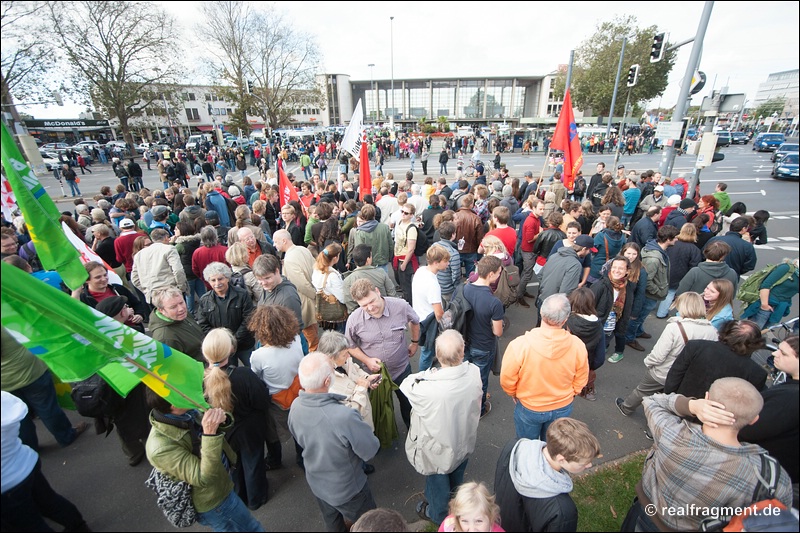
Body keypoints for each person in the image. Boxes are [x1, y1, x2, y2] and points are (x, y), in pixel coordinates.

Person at [620, 379, 793, 532]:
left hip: (647, 513)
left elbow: (652, 401)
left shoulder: (671, 434)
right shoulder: (770, 477)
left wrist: (692, 406)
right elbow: (778, 517)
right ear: (754, 419)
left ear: (707, 398)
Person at [144, 389, 264, 532]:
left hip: (222, 482)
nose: (191, 389)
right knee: (252, 528)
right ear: (174, 404)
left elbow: (219, 424)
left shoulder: (187, 410)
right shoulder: (160, 447)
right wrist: (209, 434)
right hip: (215, 501)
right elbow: (203, 477)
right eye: (183, 390)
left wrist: (222, 418)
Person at [288, 352, 380, 532]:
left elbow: (299, 438)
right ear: (326, 382)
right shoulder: (343, 416)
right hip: (349, 489)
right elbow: (370, 450)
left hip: (318, 483)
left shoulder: (296, 406)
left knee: (333, 524)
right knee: (371, 526)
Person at [400, 330, 483, 526]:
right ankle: (456, 502)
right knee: (456, 477)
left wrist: (431, 373)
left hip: (437, 448)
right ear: (462, 353)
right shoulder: (474, 372)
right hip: (463, 440)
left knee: (437, 482)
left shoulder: (427, 388)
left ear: (437, 355)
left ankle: (438, 515)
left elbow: (406, 384)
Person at [500, 294, 588, 441]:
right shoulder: (577, 345)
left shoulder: (520, 345)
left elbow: (507, 379)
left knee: (527, 446)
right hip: (563, 406)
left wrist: (513, 393)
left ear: (541, 312)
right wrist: (573, 392)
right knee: (552, 447)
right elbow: (581, 376)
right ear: (565, 319)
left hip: (530, 406)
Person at [201, 329, 271, 511]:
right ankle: (256, 498)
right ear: (231, 350)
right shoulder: (243, 375)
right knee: (253, 461)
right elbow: (262, 401)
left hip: (223, 430)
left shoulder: (202, 379)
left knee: (234, 464)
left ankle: (239, 496)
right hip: (250, 428)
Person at [1, 391, 91, 532]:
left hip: (7, 484)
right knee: (49, 501)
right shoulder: (5, 399)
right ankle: (78, 525)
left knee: (29, 524)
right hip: (25, 461)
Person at [616, 292, 718, 416]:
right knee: (670, 402)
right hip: (686, 376)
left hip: (664, 372)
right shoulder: (713, 331)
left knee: (642, 391)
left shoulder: (675, 327)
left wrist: (648, 362)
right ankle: (655, 429)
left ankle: (626, 408)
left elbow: (659, 354)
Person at [494, 418, 600, 533]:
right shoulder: (563, 512)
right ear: (561, 459)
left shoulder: (514, 448)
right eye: (583, 462)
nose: (589, 465)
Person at [346, 278, 420, 429]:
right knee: (380, 410)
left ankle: (413, 433)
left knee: (408, 405)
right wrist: (366, 360)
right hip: (374, 376)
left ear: (378, 292)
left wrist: (414, 342)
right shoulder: (354, 319)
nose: (370, 308)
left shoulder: (400, 306)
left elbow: (415, 321)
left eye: (372, 301)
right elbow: (350, 346)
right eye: (364, 305)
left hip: (402, 370)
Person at [0, 327, 89, 451]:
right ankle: (66, 436)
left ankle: (30, 447)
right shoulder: (8, 317)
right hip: (32, 372)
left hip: (5, 384)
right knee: (48, 408)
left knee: (20, 417)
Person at [739, 335, 799, 486]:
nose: (774, 354)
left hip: (760, 471)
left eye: (784, 353)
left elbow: (750, 430)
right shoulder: (790, 390)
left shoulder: (790, 398)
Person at [664, 319, 768, 399]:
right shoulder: (757, 373)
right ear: (756, 344)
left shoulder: (695, 346)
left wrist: (669, 401)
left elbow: (674, 377)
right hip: (714, 423)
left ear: (725, 332)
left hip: (680, 406)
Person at [462, 256, 505, 417]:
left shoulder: (464, 288)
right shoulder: (494, 303)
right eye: (499, 272)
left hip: (465, 341)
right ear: (491, 274)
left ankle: (464, 403)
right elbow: (498, 332)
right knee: (480, 380)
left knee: (465, 375)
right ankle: (478, 410)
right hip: (484, 345)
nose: (500, 275)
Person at [625, 225, 678, 349]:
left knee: (641, 317)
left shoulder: (656, 250)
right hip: (649, 295)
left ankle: (638, 331)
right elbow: (647, 280)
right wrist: (659, 291)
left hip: (651, 295)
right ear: (668, 239)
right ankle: (630, 338)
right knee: (637, 317)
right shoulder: (654, 258)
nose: (677, 240)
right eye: (675, 238)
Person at [195, 262, 255, 366]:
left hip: (244, 344)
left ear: (227, 278)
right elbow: (203, 324)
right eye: (213, 280)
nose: (217, 283)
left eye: (220, 279)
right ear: (208, 281)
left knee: (253, 369)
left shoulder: (242, 294)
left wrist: (233, 342)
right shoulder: (205, 300)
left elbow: (248, 319)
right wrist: (223, 343)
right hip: (222, 348)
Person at [273, 229, 320, 351]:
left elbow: (300, 284)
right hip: (311, 298)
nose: (274, 245)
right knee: (313, 333)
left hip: (304, 301)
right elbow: (317, 268)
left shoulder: (289, 260)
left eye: (276, 242)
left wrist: (314, 294)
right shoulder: (304, 249)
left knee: (310, 339)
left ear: (284, 241)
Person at [591, 255, 635, 365]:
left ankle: (619, 352)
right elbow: (590, 304)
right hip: (602, 318)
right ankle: (602, 347)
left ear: (627, 271)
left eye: (621, 268)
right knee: (603, 336)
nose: (616, 270)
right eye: (614, 267)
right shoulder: (600, 285)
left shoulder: (628, 285)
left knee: (619, 333)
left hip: (618, 317)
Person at [656, 223, 703, 318]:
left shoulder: (672, 243)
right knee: (670, 293)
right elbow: (694, 266)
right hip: (680, 275)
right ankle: (661, 313)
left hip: (665, 270)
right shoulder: (694, 250)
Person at [565, 288, 604, 401]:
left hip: (565, 365)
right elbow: (600, 357)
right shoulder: (598, 326)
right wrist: (591, 367)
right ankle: (585, 391)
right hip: (585, 363)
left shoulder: (567, 321)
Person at [148, 287, 205, 362]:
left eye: (181, 302)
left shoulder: (180, 315)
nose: (181, 309)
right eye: (173, 307)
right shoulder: (165, 338)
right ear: (161, 310)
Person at [740, 258, 799, 330]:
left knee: (761, 333)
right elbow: (766, 285)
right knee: (752, 332)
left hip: (779, 309)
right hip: (765, 305)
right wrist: (764, 305)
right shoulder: (786, 268)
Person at [131, 228, 187, 303]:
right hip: (170, 291)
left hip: (152, 295)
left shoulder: (139, 255)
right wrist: (180, 288)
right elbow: (178, 270)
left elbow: (134, 278)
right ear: (166, 238)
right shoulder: (169, 249)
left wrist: (146, 290)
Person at [343, 244, 397, 313]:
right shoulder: (381, 273)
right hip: (383, 311)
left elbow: (350, 305)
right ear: (368, 260)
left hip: (363, 316)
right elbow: (392, 293)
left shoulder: (347, 280)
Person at [438, 482, 504, 533]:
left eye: (478, 521)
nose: (472, 530)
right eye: (464, 521)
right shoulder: (449, 525)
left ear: (491, 516)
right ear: (457, 518)